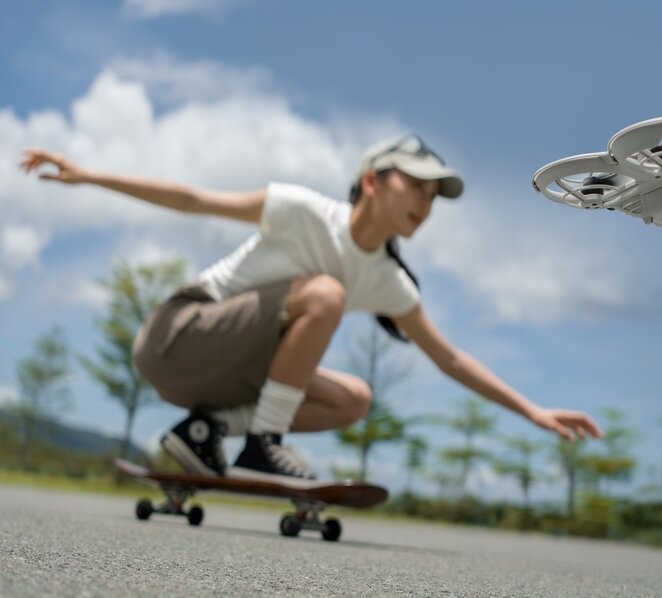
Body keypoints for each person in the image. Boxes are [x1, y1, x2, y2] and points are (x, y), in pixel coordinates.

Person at [19, 136, 603, 486]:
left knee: (354, 398)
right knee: (325, 293)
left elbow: (448, 359)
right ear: (372, 181)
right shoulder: (301, 210)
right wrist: (88, 175)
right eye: (416, 187)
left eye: (433, 197)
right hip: (178, 335)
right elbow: (193, 198)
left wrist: (533, 411)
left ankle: (209, 431)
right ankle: (261, 444)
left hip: (221, 378)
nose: (425, 204)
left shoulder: (388, 280)